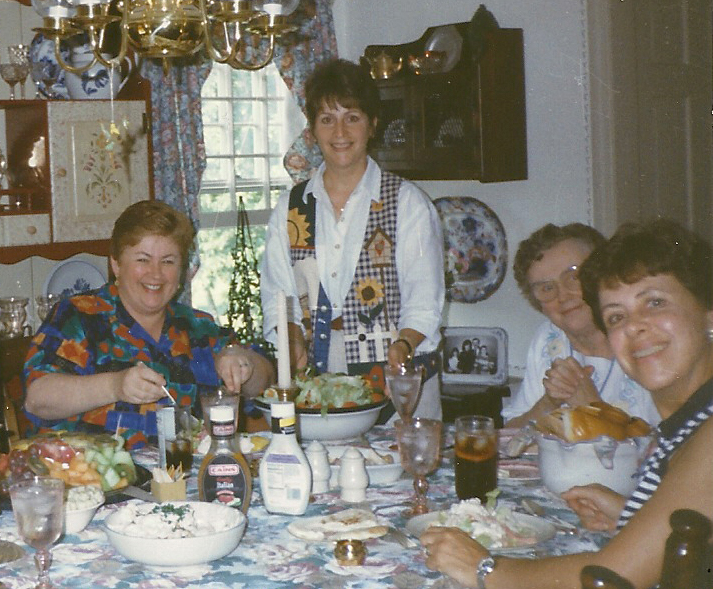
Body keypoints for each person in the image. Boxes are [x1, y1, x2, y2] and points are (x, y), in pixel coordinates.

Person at [422, 219, 713, 588]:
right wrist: (633, 514)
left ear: (709, 314)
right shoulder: (690, 426)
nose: (635, 326)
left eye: (655, 303)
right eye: (616, 317)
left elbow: (611, 576)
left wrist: (484, 568)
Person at [259, 59, 445, 420]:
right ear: (312, 129)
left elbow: (425, 302)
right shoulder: (292, 207)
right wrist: (292, 339)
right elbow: (279, 297)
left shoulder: (407, 203)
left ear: (372, 124)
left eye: (352, 117)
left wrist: (404, 345)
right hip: (322, 377)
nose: (340, 131)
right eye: (327, 119)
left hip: (400, 375)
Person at [22, 200, 275, 449]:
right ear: (116, 264)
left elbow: (264, 382)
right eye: (143, 260)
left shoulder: (199, 327)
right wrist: (114, 386)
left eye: (168, 261)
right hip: (91, 473)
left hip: (186, 473)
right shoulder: (79, 316)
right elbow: (37, 398)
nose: (156, 274)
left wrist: (245, 364)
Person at [503, 223, 658, 429]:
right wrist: (548, 403)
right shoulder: (549, 338)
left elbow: (666, 445)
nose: (563, 296)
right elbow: (509, 436)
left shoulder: (643, 337)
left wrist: (592, 407)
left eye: (574, 277)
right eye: (547, 288)